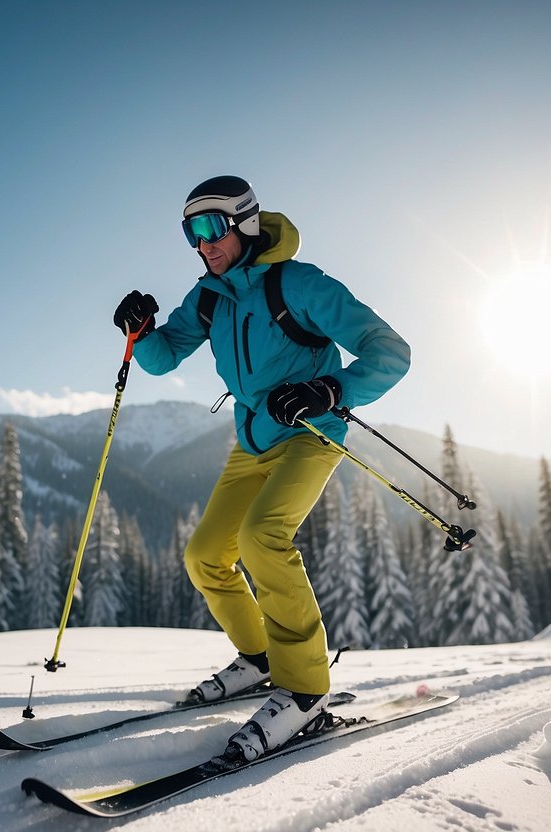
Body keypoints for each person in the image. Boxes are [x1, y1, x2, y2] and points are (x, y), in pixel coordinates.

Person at [113, 175, 410, 762]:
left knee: (262, 537)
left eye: (209, 227)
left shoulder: (297, 284)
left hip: (310, 435)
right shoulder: (211, 296)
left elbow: (390, 350)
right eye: (189, 232)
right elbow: (163, 357)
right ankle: (261, 657)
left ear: (245, 222)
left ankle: (305, 691)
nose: (201, 244)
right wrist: (140, 331)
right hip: (251, 443)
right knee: (205, 555)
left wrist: (331, 388)